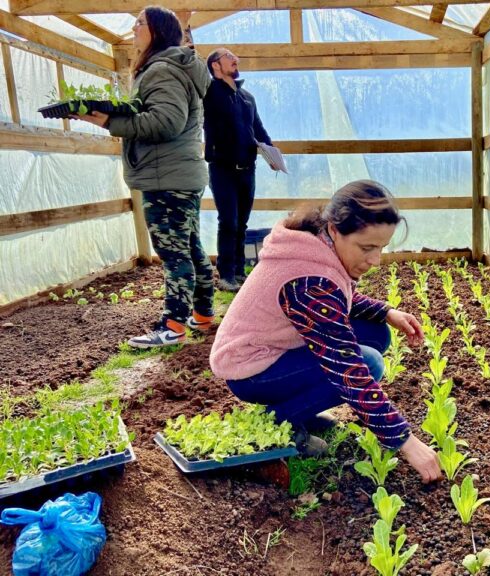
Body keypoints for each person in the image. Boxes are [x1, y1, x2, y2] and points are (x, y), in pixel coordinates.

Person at [210, 180, 442, 483]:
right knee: (368, 363)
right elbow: (346, 367)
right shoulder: (308, 280)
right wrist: (404, 441)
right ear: (334, 230)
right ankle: (279, 420)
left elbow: (337, 300)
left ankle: (298, 410)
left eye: (381, 248)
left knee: (376, 333)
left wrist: (386, 312)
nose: (375, 260)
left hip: (273, 351)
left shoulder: (317, 246)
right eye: (367, 247)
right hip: (251, 369)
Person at [75, 6, 214, 348]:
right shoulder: (176, 66)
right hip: (181, 174)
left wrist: (108, 122)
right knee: (190, 246)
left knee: (173, 253)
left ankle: (173, 326)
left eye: (140, 23)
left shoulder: (161, 70)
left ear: (158, 31)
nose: (134, 28)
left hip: (165, 176)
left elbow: (165, 123)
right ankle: (204, 316)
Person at [203, 47, 275, 292]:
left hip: (248, 169)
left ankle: (239, 271)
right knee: (229, 222)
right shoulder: (210, 93)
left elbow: (259, 129)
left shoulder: (247, 96)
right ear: (215, 65)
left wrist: (272, 154)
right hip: (222, 169)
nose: (236, 60)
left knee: (242, 223)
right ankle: (226, 275)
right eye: (229, 57)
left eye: (235, 58)